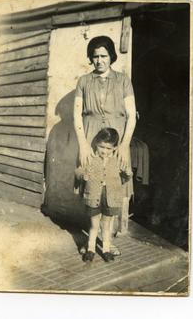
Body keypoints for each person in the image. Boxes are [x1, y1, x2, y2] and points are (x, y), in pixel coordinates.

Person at [74, 35, 137, 252]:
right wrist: (83, 145)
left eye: (104, 56)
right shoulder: (83, 81)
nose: (99, 60)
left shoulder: (123, 81)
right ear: (91, 59)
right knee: (92, 188)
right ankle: (91, 241)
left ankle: (107, 241)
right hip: (91, 138)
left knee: (113, 185)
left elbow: (131, 115)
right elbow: (76, 115)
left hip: (116, 140)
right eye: (95, 56)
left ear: (111, 57)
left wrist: (125, 145)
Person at [75, 128, 131, 262]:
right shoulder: (90, 159)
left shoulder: (118, 161)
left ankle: (106, 250)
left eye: (108, 148)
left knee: (106, 225)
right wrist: (83, 175)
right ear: (96, 144)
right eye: (101, 146)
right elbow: (78, 171)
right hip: (94, 196)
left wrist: (128, 173)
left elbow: (124, 178)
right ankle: (91, 249)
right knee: (94, 225)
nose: (104, 151)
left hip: (110, 198)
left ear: (115, 148)